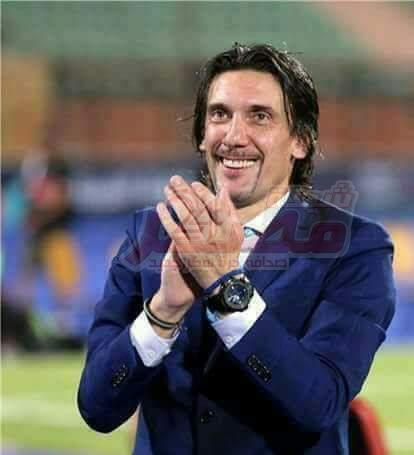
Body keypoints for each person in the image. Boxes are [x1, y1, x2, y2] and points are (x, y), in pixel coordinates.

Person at [78, 43, 396, 455]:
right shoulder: (151, 235)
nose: (233, 136)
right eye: (219, 114)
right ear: (201, 136)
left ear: (300, 141)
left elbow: (318, 402)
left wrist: (227, 289)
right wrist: (163, 313)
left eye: (259, 116)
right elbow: (97, 408)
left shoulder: (355, 247)